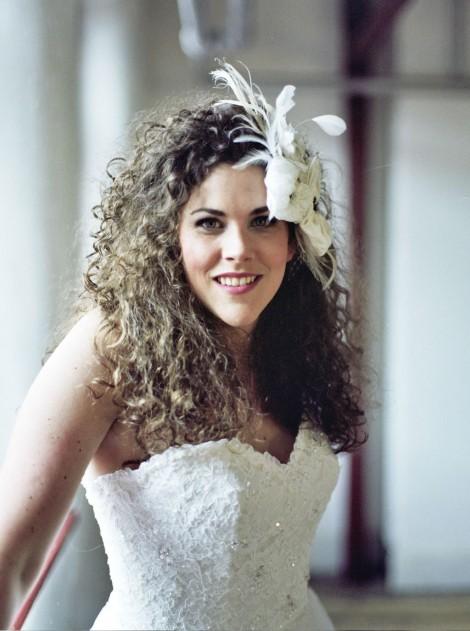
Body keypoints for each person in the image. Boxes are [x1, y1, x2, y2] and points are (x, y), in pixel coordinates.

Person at [0, 62, 365, 630]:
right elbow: (12, 560)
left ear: (294, 239)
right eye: (210, 223)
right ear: (170, 238)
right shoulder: (113, 347)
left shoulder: (294, 342)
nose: (238, 248)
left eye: (263, 221)